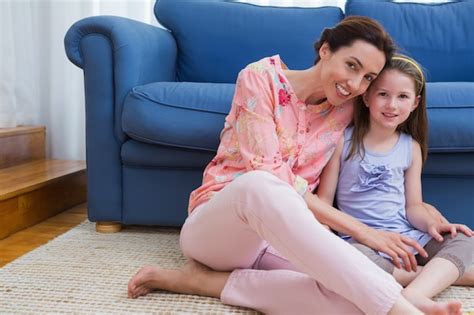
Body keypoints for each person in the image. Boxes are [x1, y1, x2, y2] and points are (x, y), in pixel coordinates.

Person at [128, 16, 453, 314]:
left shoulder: (347, 107)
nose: (355, 85)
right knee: (260, 183)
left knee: (352, 297)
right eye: (351, 66)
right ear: (325, 50)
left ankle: (197, 282)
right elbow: (270, 172)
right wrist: (365, 233)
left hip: (279, 239)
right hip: (222, 227)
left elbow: (393, 110)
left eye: (367, 77)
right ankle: (405, 310)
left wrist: (420, 207)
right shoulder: (260, 78)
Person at [316, 54, 473, 314]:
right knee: (353, 261)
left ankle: (414, 293)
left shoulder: (410, 147)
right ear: (366, 97)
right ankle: (441, 275)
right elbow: (324, 200)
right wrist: (323, 236)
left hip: (407, 236)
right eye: (383, 95)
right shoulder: (343, 140)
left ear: (415, 103)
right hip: (361, 241)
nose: (391, 105)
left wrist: (434, 224)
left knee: (465, 240)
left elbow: (413, 206)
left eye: (402, 97)